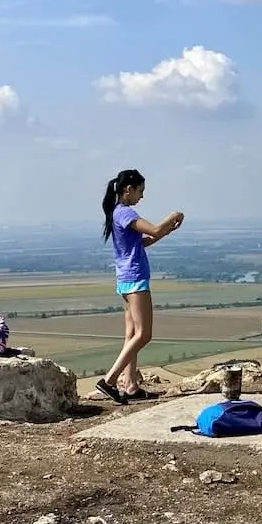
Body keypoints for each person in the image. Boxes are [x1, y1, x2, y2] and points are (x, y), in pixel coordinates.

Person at [94, 169, 184, 404]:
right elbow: (154, 229)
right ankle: (110, 380)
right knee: (144, 334)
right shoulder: (125, 212)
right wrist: (173, 215)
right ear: (128, 189)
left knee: (132, 334)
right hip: (135, 279)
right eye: (140, 191)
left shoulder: (116, 212)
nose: (141, 196)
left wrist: (166, 230)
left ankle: (131, 385)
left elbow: (142, 242)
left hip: (125, 279)